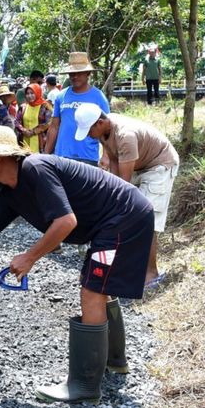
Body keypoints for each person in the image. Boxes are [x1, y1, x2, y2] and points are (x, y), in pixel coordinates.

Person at [0, 125, 154, 404]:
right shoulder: (8, 196)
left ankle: (86, 387)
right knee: (98, 286)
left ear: (1, 157)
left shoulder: (35, 169)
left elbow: (66, 222)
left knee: (92, 290)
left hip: (124, 217)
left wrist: (29, 257)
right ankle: (114, 362)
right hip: (112, 223)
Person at [74, 104, 179, 290]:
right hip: (141, 164)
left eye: (90, 129)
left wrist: (113, 208)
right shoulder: (105, 131)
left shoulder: (125, 136)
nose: (89, 134)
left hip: (160, 165)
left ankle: (151, 274)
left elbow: (125, 186)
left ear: (100, 122)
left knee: (148, 220)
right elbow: (114, 161)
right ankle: (131, 267)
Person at [44, 52, 110, 166]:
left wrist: (105, 155)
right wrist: (46, 153)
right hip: (62, 155)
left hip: (87, 156)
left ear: (87, 73)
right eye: (72, 73)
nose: (75, 76)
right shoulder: (61, 96)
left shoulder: (98, 97)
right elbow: (54, 126)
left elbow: (107, 129)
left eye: (79, 73)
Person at [14, 83, 52, 153]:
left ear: (38, 93)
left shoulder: (45, 106)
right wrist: (23, 130)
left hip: (40, 141)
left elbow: (48, 122)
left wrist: (33, 132)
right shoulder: (23, 107)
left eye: (32, 93)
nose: (29, 96)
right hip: (24, 140)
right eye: (27, 94)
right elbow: (17, 121)